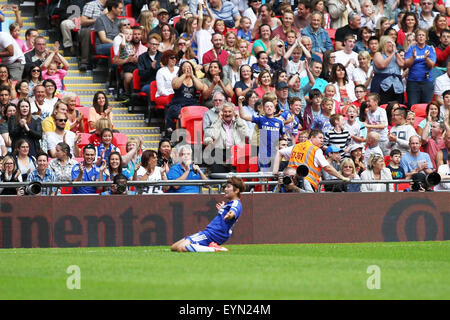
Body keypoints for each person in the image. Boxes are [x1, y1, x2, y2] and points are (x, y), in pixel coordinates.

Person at [171, 176, 245, 253]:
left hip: (213, 234)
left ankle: (215, 249)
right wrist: (222, 210)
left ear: (236, 190)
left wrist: (230, 214)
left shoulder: (236, 203)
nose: (225, 189)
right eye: (225, 187)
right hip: (209, 232)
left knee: (181, 248)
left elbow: (233, 212)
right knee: (174, 247)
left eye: (228, 187)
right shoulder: (229, 204)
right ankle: (209, 247)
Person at [272, 129, 350, 192]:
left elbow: (279, 152)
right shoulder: (316, 150)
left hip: (288, 181)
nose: (322, 140)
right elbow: (327, 168)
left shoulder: (296, 146)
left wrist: (275, 171)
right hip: (306, 184)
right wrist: (342, 177)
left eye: (323, 138)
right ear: (312, 138)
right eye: (320, 138)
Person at [238, 94, 285, 171]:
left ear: (274, 110)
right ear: (263, 109)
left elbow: (284, 136)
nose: (269, 108)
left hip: (276, 154)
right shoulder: (260, 119)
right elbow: (243, 116)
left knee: (276, 177)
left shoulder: (279, 122)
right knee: (264, 178)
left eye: (271, 106)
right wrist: (240, 103)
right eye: (267, 106)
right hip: (263, 155)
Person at [203, 102, 250, 173]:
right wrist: (218, 120)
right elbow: (213, 135)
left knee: (236, 155)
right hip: (222, 150)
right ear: (222, 113)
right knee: (214, 153)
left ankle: (234, 177)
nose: (227, 114)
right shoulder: (217, 122)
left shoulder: (239, 121)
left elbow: (247, 133)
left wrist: (238, 119)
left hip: (236, 150)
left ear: (234, 113)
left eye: (230, 111)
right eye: (225, 111)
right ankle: (219, 179)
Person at [165, 61, 204, 132]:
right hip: (178, 104)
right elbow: (176, 86)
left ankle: (194, 136)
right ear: (181, 69)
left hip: (192, 105)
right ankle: (178, 138)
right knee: (181, 116)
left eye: (189, 67)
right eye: (185, 67)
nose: (188, 69)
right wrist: (184, 74)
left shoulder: (195, 79)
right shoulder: (176, 78)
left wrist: (192, 76)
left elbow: (200, 88)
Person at [404, 29, 436, 107]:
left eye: (423, 35)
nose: (421, 37)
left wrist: (426, 59)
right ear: (416, 38)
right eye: (419, 35)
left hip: (427, 82)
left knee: (426, 107)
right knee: (413, 107)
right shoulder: (411, 48)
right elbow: (406, 64)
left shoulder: (430, 48)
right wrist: (413, 57)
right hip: (413, 82)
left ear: (426, 38)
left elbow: (432, 65)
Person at [372, 36, 405, 105]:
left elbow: (402, 64)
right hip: (382, 85)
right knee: (383, 106)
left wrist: (396, 53)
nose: (392, 44)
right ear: (384, 44)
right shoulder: (378, 54)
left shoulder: (396, 55)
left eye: (393, 42)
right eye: (389, 42)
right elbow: (382, 65)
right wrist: (393, 53)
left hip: (396, 86)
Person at [78, 0, 107, 72]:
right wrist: (100, 18)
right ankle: (84, 62)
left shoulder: (113, 6)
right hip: (91, 29)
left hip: (105, 30)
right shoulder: (91, 5)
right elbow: (83, 21)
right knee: (87, 32)